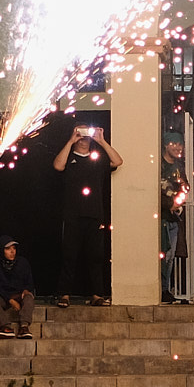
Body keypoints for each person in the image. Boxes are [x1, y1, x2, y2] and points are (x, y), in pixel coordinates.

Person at [53, 123, 121, 307]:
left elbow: (117, 161)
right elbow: (58, 166)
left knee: (96, 256)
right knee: (69, 255)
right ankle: (64, 294)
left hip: (95, 215)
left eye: (86, 133)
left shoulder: (97, 159)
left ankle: (97, 294)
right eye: (80, 133)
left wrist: (102, 141)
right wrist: (71, 140)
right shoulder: (69, 157)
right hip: (72, 215)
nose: (84, 137)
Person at [159, 138, 190, 302]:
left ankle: (165, 289)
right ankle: (160, 289)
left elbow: (186, 186)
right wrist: (169, 203)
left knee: (170, 256)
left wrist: (181, 194)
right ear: (165, 144)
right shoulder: (159, 165)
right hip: (162, 217)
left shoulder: (179, 167)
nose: (178, 147)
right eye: (174, 143)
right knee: (163, 254)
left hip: (174, 217)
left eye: (180, 144)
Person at [0, 237, 36, 339]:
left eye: (14, 248)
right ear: (2, 250)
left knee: (29, 297)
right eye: (8, 249)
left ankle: (24, 327)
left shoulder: (23, 262)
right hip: (4, 296)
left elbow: (30, 282)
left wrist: (26, 290)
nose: (12, 251)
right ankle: (5, 326)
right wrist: (10, 300)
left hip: (19, 294)